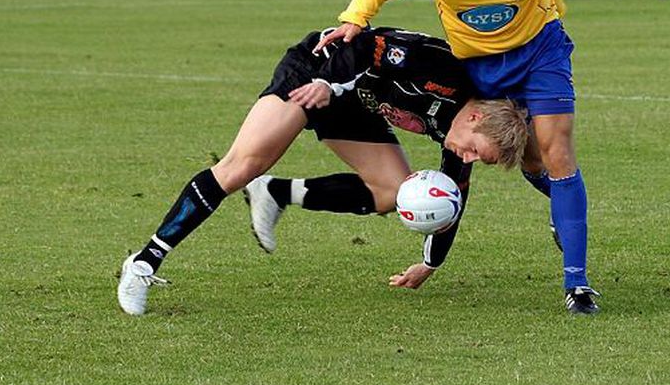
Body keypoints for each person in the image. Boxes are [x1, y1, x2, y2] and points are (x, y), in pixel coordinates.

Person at [117, 25, 528, 315]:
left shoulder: (460, 141)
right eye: (477, 152)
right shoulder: (444, 71)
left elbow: (454, 200)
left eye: (480, 161)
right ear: (475, 119)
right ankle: (143, 264)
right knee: (241, 165)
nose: (469, 158)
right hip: (320, 71)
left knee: (392, 194)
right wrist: (329, 86)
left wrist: (431, 263)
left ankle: (276, 193)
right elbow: (368, 45)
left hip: (355, 102)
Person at [316, 0, 600, 314]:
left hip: (540, 51)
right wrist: (355, 19)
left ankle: (577, 283)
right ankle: (561, 204)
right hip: (478, 68)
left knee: (557, 151)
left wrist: (555, 8)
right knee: (531, 161)